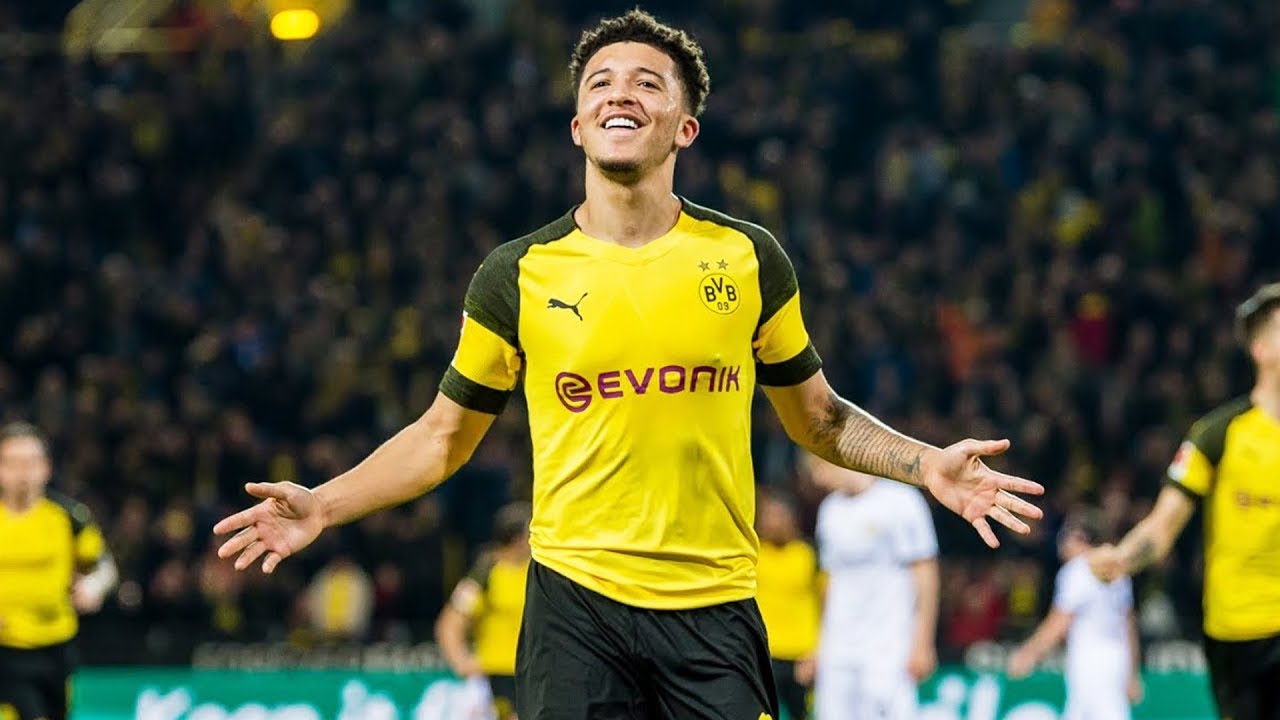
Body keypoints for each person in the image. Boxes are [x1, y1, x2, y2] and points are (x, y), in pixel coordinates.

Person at [213, 10, 1043, 718]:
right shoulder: (516, 275)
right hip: (575, 609)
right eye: (600, 82)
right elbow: (440, 439)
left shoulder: (749, 259)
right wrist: (324, 504)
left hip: (716, 609)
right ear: (578, 125)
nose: (620, 92)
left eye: (647, 83)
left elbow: (819, 419)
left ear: (685, 127)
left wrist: (926, 464)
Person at [1090, 282, 1280, 720]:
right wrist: (1123, 557)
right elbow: (1163, 527)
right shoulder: (1218, 435)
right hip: (1238, 632)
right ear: (1261, 350)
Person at [806, 454, 939, 719]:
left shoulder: (901, 500)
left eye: (818, 470)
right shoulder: (830, 509)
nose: (818, 480)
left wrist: (923, 642)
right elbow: (830, 581)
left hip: (889, 640)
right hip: (838, 643)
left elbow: (925, 572)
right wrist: (819, 643)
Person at [0, 422, 117, 720]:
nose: (22, 473)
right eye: (13, 463)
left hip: (57, 645)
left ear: (46, 468)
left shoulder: (69, 517)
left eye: (30, 463)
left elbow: (104, 567)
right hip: (7, 648)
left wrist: (93, 586)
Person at [1007, 511, 1142, 720]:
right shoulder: (1118, 571)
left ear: (1080, 538)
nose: (1061, 542)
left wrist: (1029, 653)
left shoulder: (1078, 569)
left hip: (1090, 659)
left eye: (1066, 535)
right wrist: (1132, 671)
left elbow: (1060, 621)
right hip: (1117, 658)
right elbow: (1128, 624)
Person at [436, 502, 532, 720]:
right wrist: (461, 661)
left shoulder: (536, 572)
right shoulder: (485, 574)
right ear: (517, 539)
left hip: (532, 674)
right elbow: (450, 622)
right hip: (497, 676)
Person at [754, 490, 821, 720]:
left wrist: (816, 652)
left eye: (779, 516)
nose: (774, 523)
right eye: (769, 516)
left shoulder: (808, 554)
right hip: (764, 655)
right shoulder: (753, 554)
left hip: (800, 655)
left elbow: (826, 604)